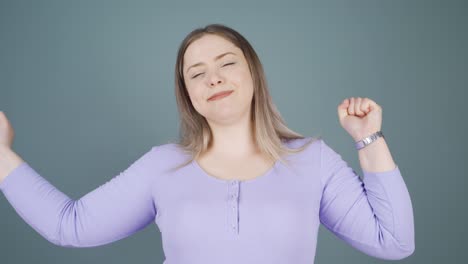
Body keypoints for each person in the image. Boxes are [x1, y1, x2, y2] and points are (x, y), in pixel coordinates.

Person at [0, 24, 414, 263]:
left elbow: (394, 242)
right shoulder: (163, 166)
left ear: (254, 74)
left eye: (226, 63)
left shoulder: (313, 160)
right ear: (189, 94)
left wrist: (368, 139)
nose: (212, 78)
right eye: (196, 73)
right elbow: (69, 226)